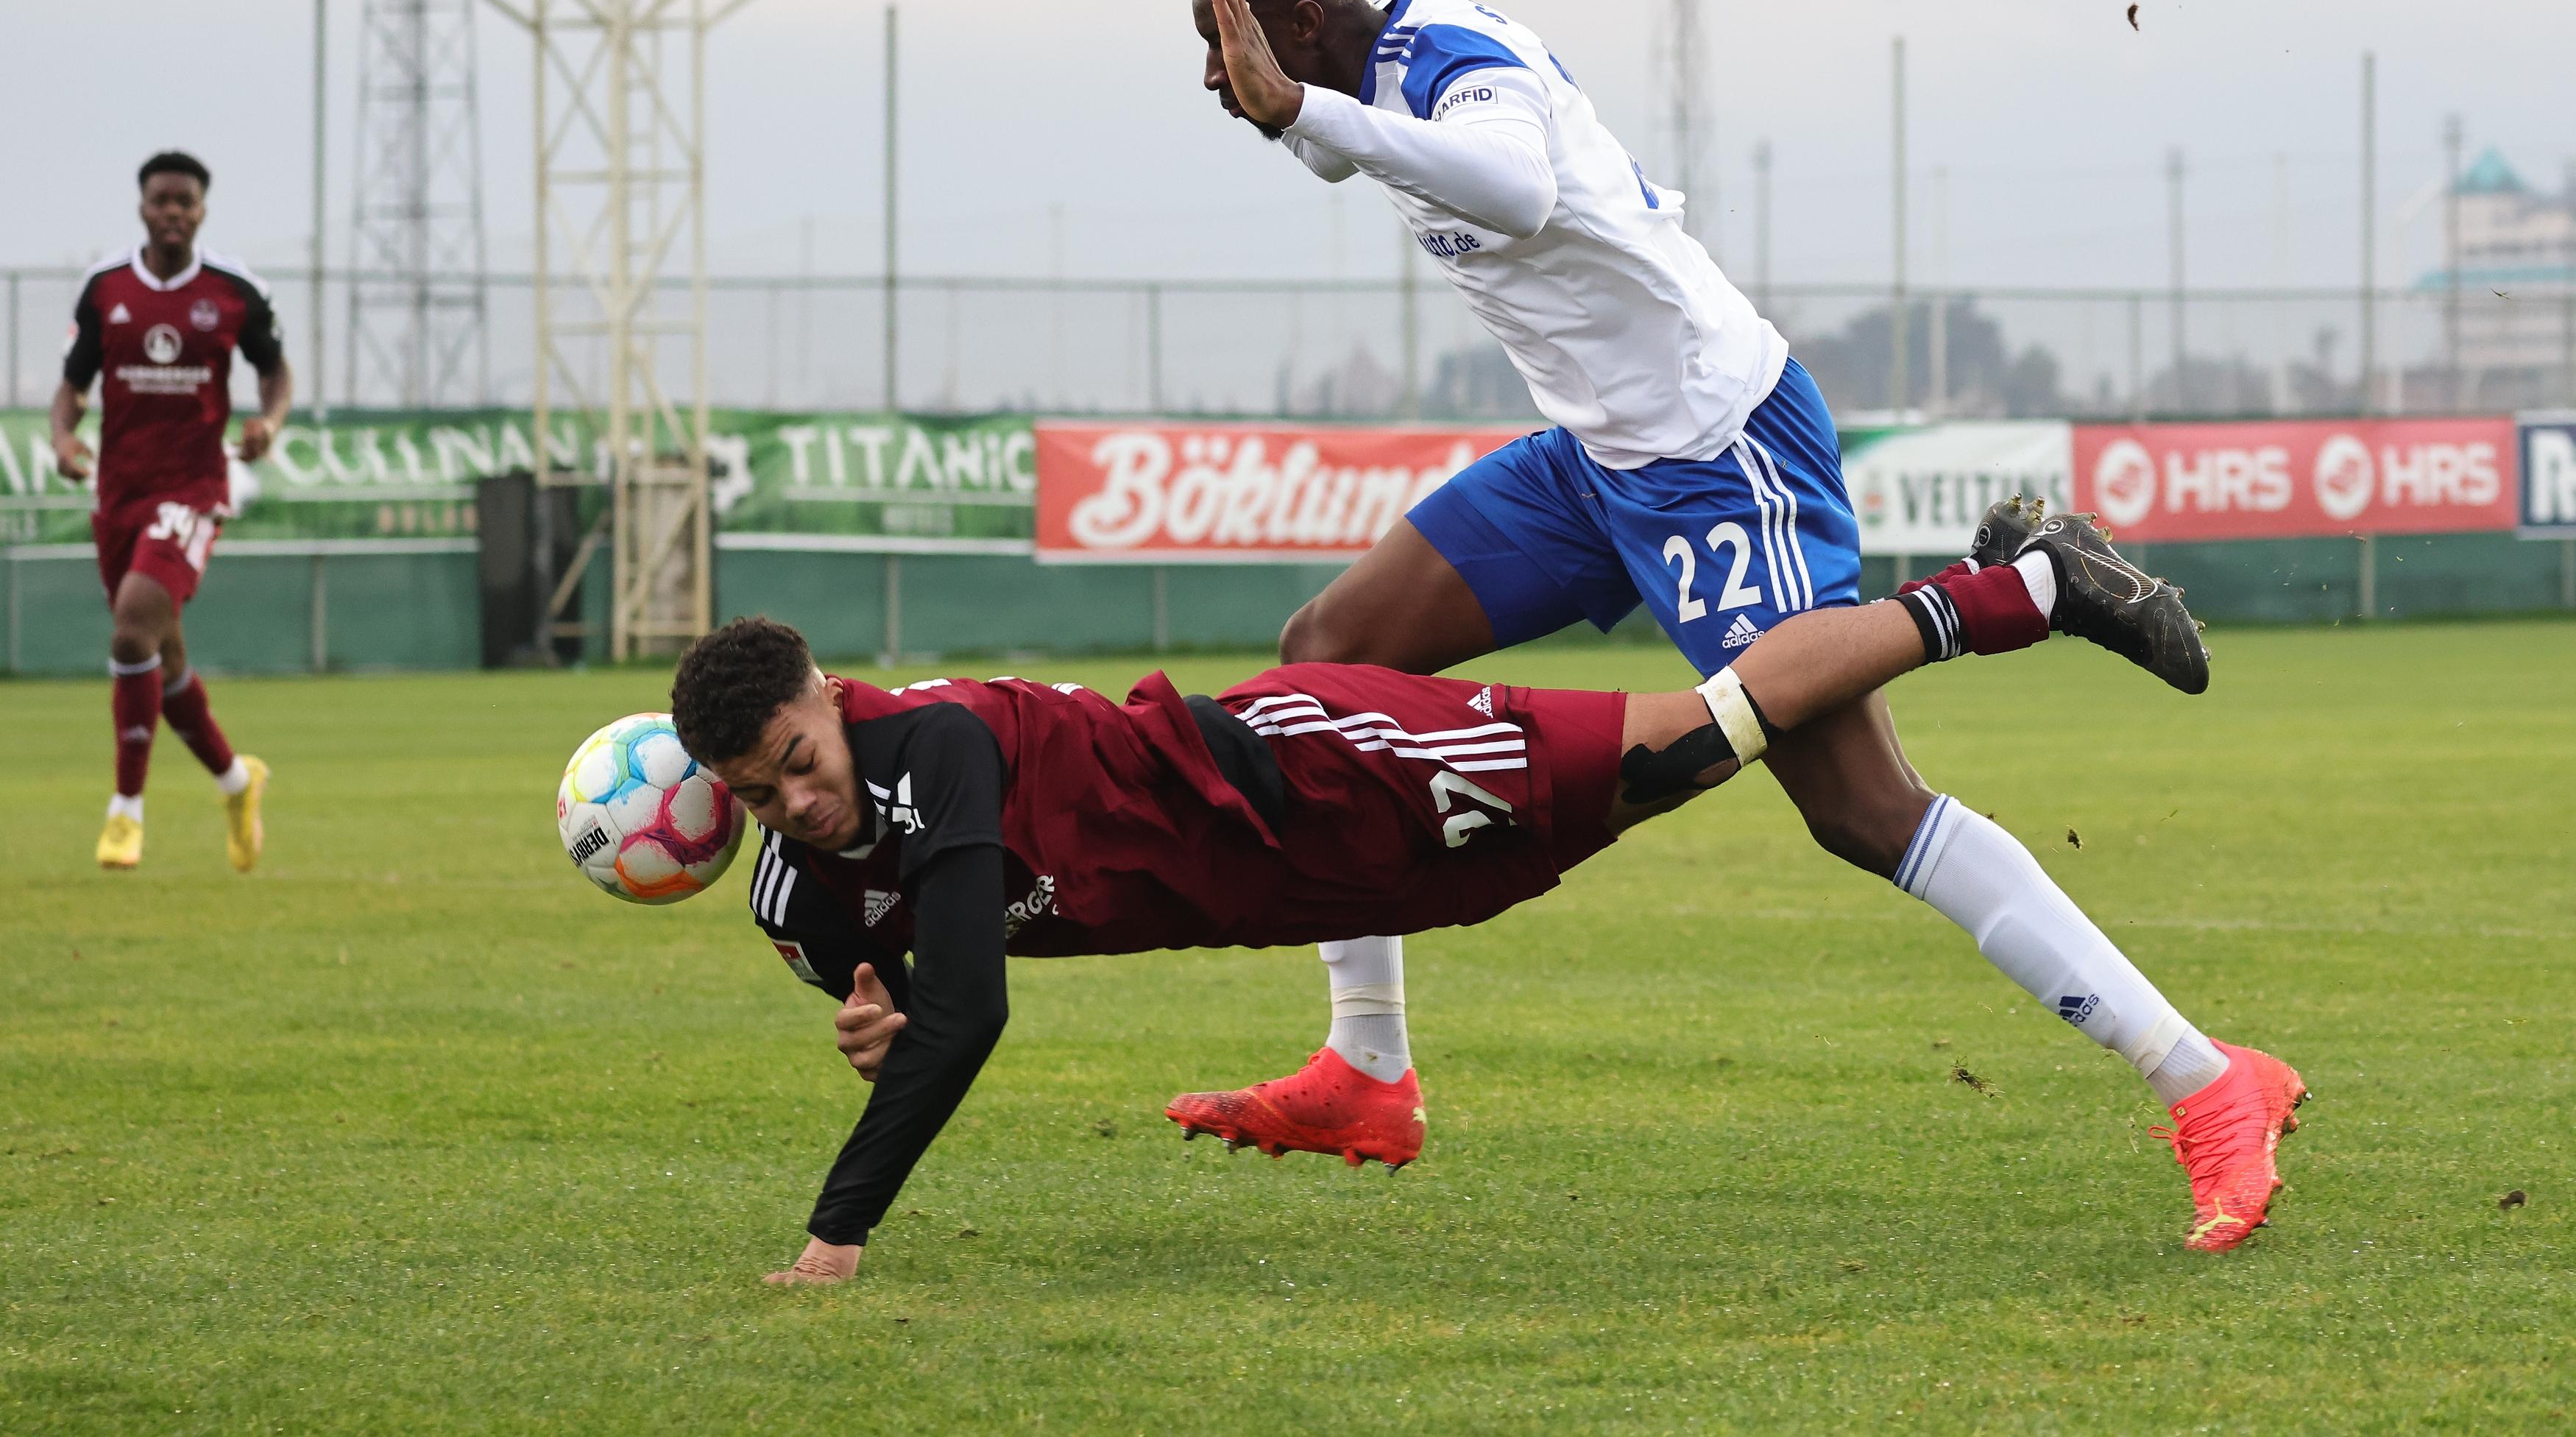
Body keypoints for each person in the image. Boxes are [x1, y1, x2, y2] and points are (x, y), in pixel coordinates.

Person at [1170, 0, 2209, 1169]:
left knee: (1860, 809)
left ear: (1302, 23)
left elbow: (1515, 184)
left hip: (1722, 448)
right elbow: (1324, 135)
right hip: (1595, 461)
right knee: (1328, 660)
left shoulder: (1452, 65)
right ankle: (1367, 1065)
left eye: (1229, 46)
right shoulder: (1357, 71)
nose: (1215, 78)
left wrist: (1291, 97)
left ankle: (2199, 1072)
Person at [662, 606, 2301, 1287]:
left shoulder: (930, 750)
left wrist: (836, 1235)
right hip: (1298, 844)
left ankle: (2014, 585)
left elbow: (967, 1006)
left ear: (832, 697)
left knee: (1716, 757)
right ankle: (1369, 1068)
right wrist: (892, 1002)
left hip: (1324, 776)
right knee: (1341, 635)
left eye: (801, 764)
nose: (795, 804)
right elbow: (919, 973)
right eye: (761, 797)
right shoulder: (814, 884)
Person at [50, 151, 285, 872]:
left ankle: (126, 812)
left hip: (192, 489)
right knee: (162, 655)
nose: (174, 212)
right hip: (118, 493)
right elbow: (72, 384)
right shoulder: (107, 290)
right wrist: (62, 437)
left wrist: (268, 421)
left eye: (187, 201)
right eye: (162, 200)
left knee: (130, 632)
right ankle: (237, 781)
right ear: (143, 207)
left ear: (203, 210)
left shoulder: (233, 291)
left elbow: (273, 369)